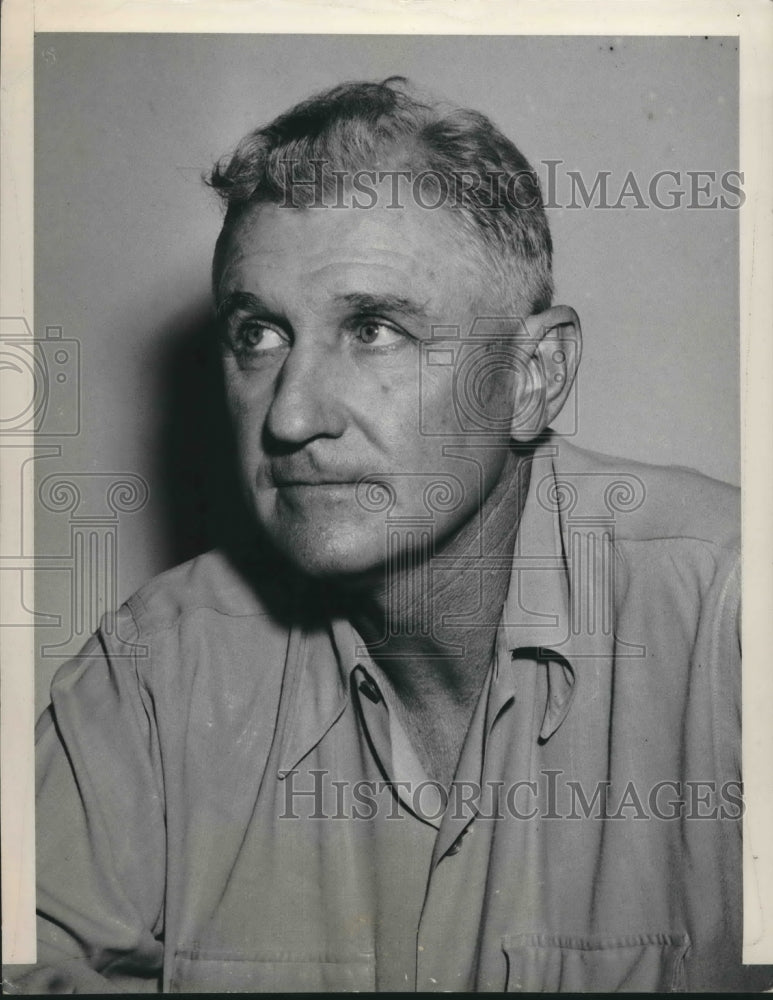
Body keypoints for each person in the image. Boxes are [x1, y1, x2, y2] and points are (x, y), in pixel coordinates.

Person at [5, 78, 769, 993]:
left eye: (372, 329)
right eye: (258, 335)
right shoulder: (158, 670)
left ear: (534, 376)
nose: (289, 415)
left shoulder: (733, 622)